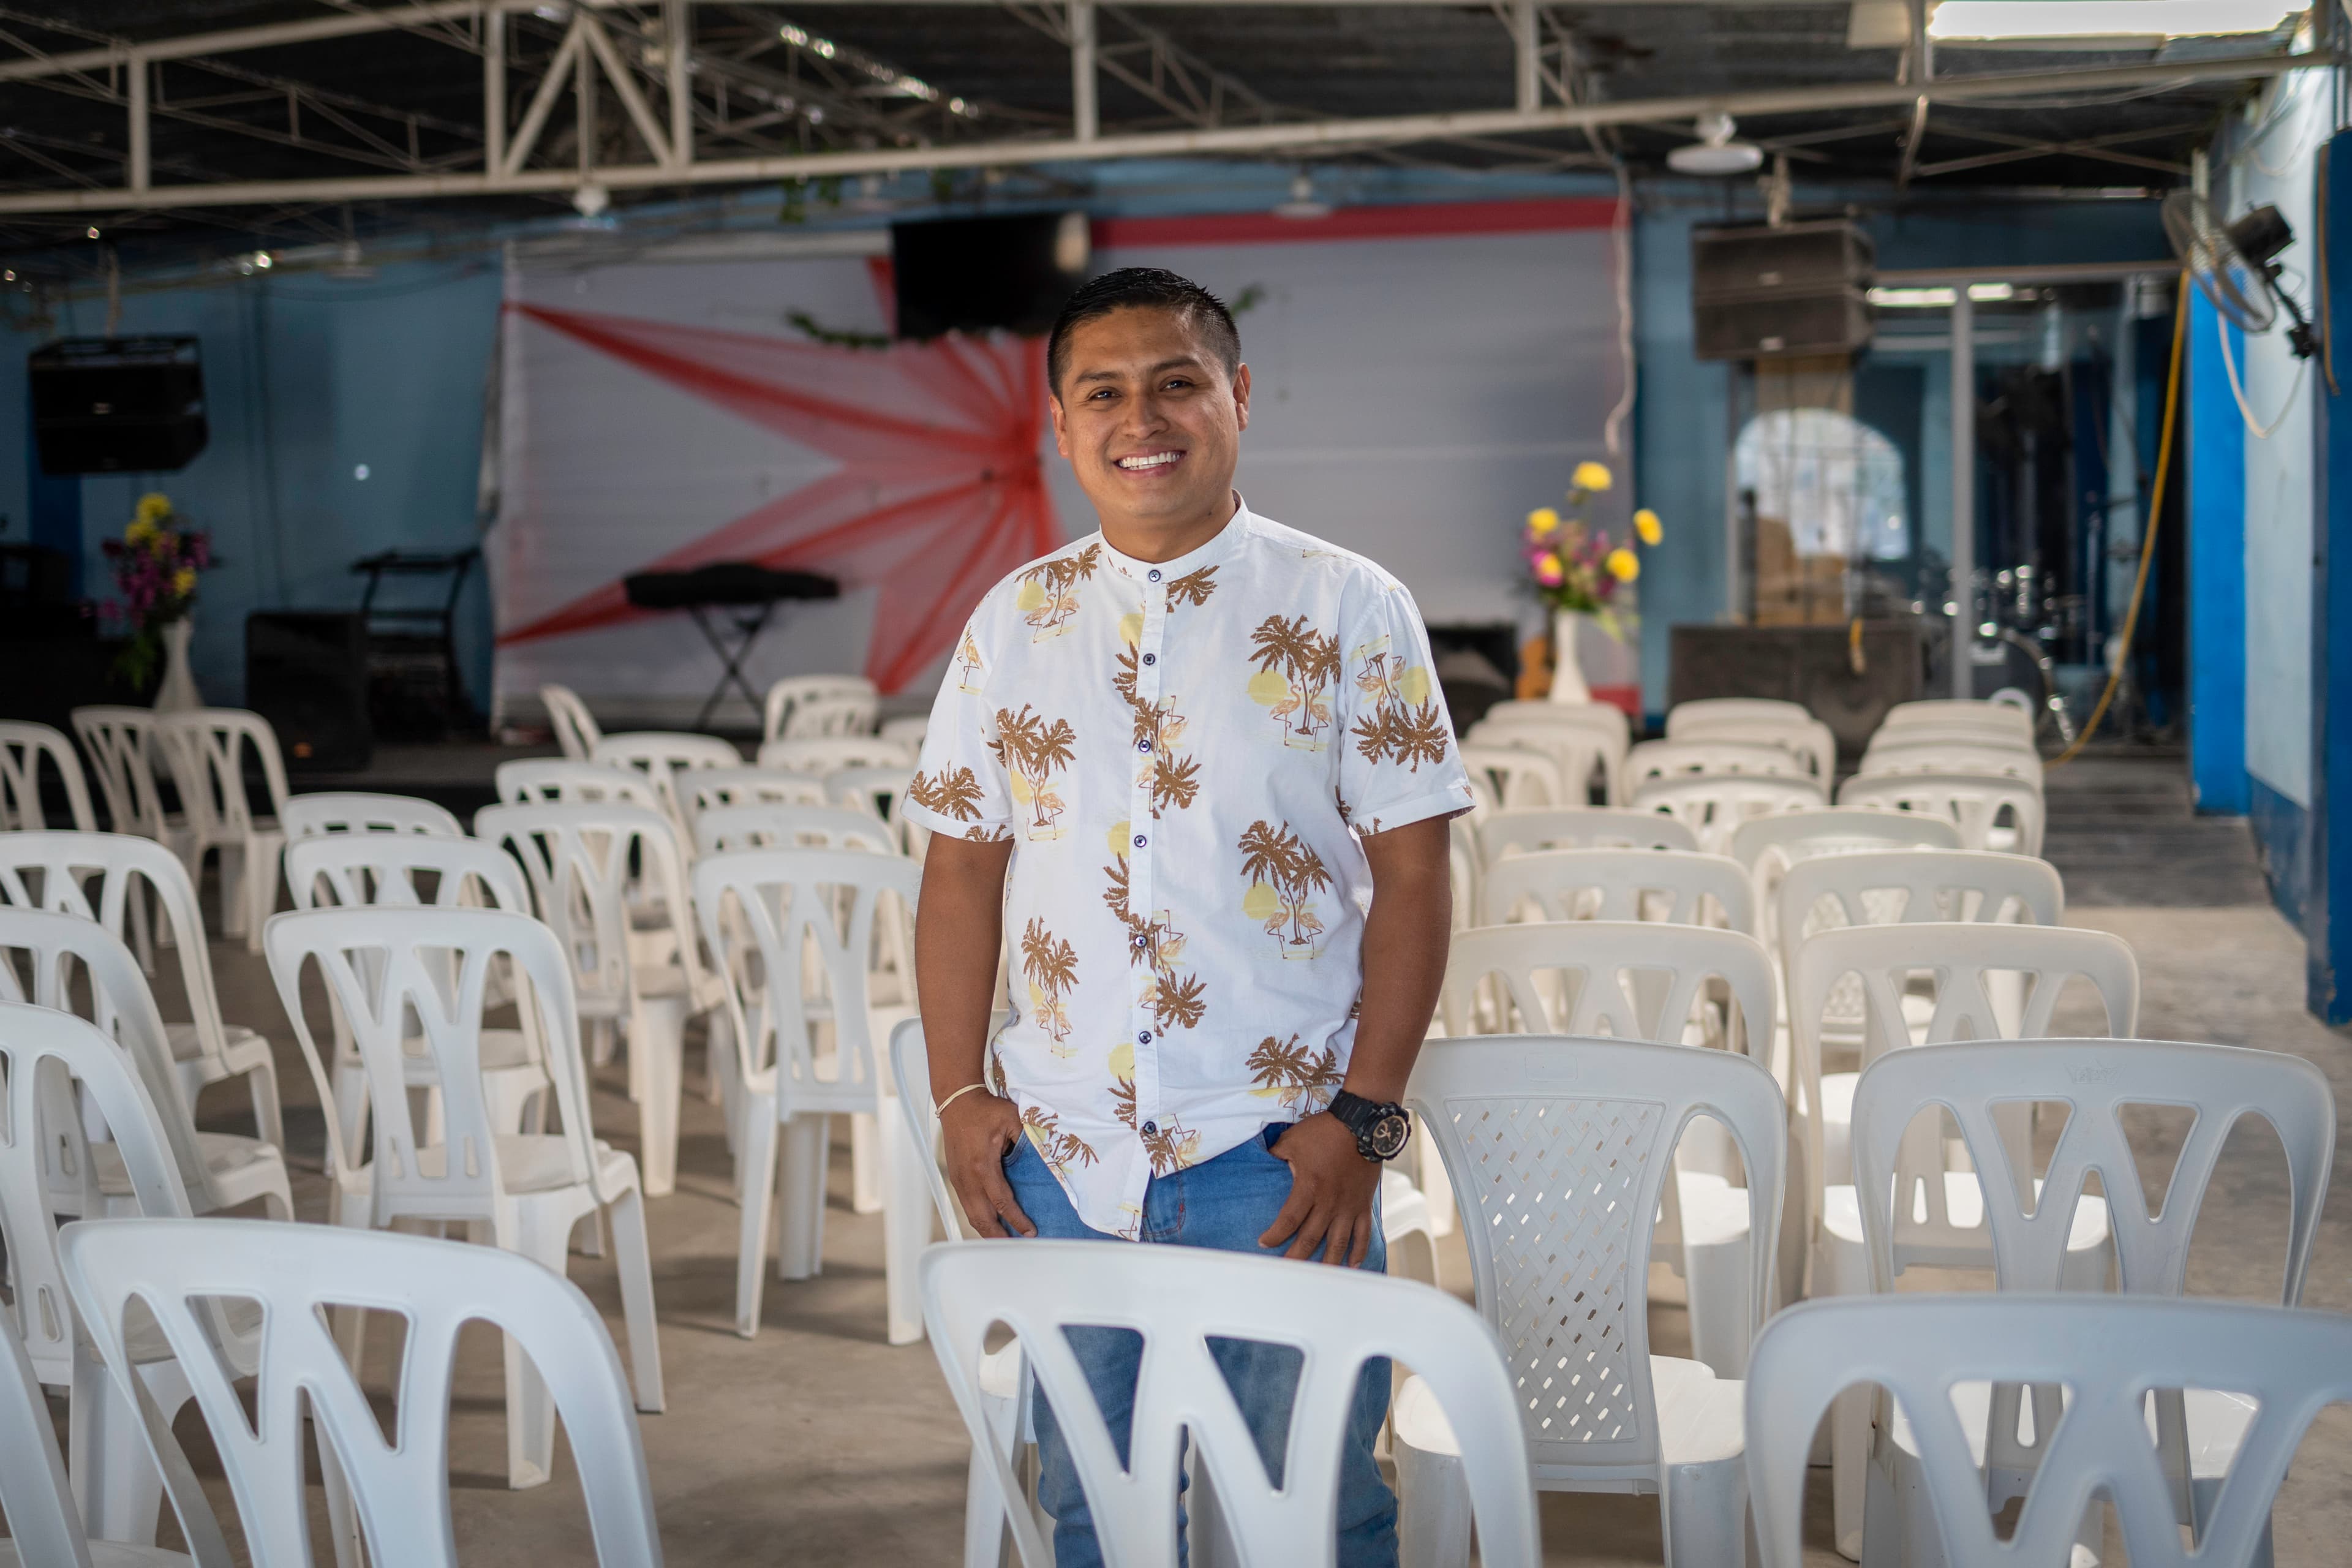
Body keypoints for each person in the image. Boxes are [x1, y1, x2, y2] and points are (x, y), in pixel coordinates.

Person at [903, 266, 1471, 1566]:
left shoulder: (1349, 604)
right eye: (1102, 393)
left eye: (1176, 382)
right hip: (1061, 1159)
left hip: (1284, 1156)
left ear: (1238, 396)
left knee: (1315, 1510)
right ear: (1061, 423)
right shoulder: (1013, 621)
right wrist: (957, 1093)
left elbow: (1416, 877)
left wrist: (1364, 1119)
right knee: (1093, 1510)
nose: (1141, 419)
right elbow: (960, 872)